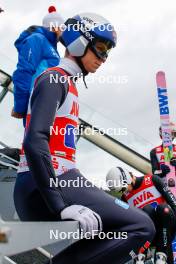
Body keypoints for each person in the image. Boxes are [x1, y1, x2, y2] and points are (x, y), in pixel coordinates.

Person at [13, 13, 155, 264]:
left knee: (112, 233)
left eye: (108, 51)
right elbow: (35, 140)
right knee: (141, 226)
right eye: (100, 48)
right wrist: (59, 205)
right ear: (79, 42)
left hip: (53, 181)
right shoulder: (55, 78)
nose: (104, 58)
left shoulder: (67, 83)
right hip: (45, 185)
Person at [106, 166, 176, 264]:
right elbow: (128, 226)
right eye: (120, 191)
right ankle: (141, 258)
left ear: (127, 178)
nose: (124, 192)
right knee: (144, 212)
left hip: (167, 227)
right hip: (150, 236)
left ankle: (161, 255)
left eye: (123, 189)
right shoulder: (125, 198)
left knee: (163, 208)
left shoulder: (153, 180)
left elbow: (173, 204)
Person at [12, 5, 64, 119]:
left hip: (46, 107)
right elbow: (24, 72)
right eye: (62, 27)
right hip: (35, 107)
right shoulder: (37, 39)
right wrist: (20, 108)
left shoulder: (53, 49)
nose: (63, 31)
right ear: (55, 26)